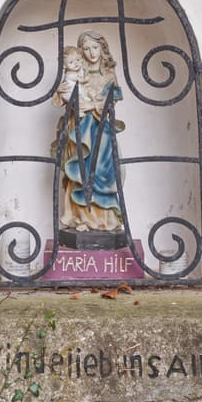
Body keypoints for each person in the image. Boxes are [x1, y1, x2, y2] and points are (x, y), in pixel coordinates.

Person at [53, 31, 127, 246]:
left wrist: (94, 105)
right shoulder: (76, 69)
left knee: (106, 171)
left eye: (94, 47)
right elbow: (62, 99)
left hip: (100, 128)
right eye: (86, 49)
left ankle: (105, 219)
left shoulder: (108, 72)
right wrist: (60, 91)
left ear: (101, 48)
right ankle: (80, 217)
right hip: (79, 129)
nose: (91, 53)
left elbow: (115, 96)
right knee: (79, 171)